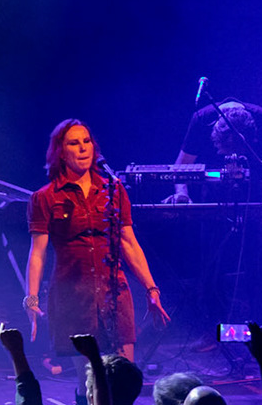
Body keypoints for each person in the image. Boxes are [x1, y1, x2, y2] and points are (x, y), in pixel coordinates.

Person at [26, 119, 169, 363]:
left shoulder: (113, 189)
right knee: (89, 378)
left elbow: (129, 243)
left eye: (86, 141)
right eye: (74, 143)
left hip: (114, 295)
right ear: (61, 152)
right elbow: (38, 253)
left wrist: (151, 288)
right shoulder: (45, 197)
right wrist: (31, 298)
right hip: (74, 298)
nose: (83, 148)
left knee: (124, 372)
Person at [170, 99, 262, 203]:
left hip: (255, 197)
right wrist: (182, 193)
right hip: (213, 198)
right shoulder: (201, 119)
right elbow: (182, 166)